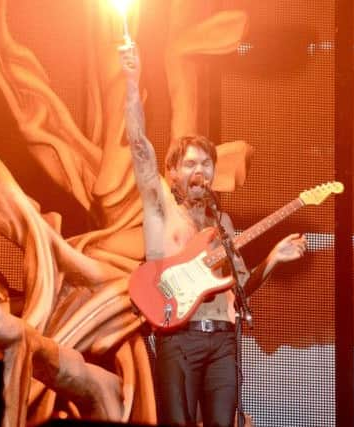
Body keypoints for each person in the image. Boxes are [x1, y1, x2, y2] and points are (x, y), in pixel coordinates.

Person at [120, 42, 307, 427]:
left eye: (206, 164)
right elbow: (139, 146)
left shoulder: (222, 226)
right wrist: (131, 81)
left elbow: (240, 287)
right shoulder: (160, 207)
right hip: (180, 339)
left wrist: (273, 258)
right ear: (173, 172)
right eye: (190, 164)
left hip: (223, 340)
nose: (199, 171)